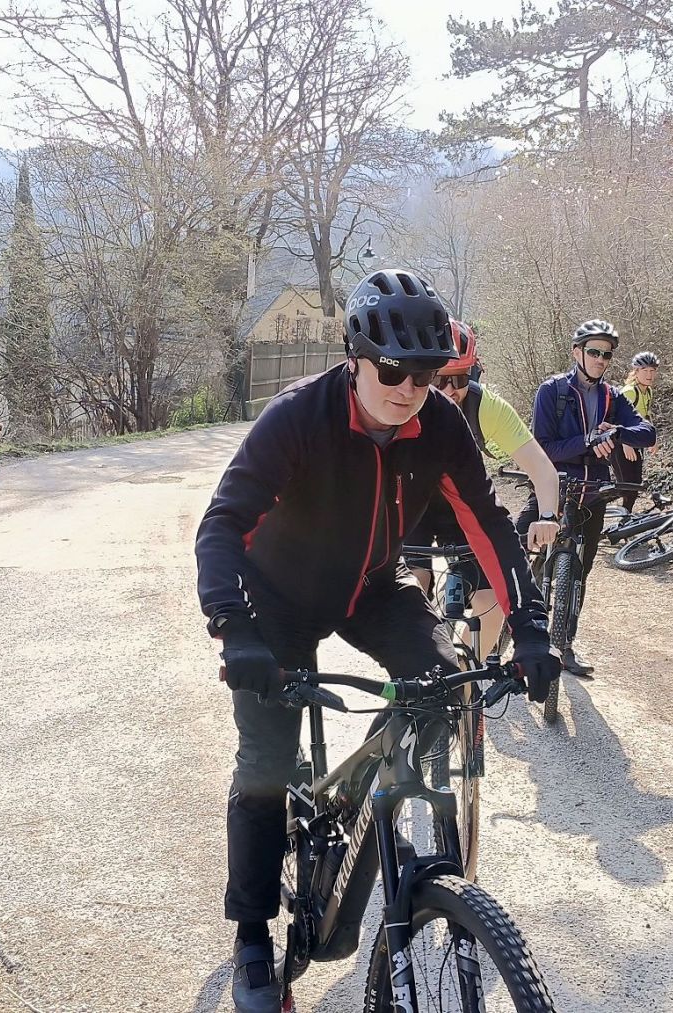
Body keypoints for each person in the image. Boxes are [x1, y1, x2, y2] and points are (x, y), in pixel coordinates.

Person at [194, 269, 561, 1013]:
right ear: (355, 358)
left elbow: (489, 526)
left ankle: (388, 813)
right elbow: (222, 525)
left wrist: (529, 627)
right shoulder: (297, 418)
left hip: (369, 586)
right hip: (277, 600)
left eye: (425, 375)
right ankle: (254, 936)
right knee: (265, 764)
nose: (408, 389)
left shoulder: (441, 425)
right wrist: (233, 628)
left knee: (441, 683)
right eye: (392, 372)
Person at [404, 320, 561, 663]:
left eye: (460, 379)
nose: (449, 390)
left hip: (465, 503)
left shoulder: (485, 406)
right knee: (412, 584)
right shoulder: (400, 401)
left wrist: (548, 515)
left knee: (491, 605)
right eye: (438, 379)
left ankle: (461, 675)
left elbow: (542, 468)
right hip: (414, 503)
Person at [522, 319, 655, 678]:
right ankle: (518, 627)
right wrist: (587, 441)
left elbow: (648, 432)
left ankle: (565, 645)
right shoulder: (552, 391)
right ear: (576, 352)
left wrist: (618, 431)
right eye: (594, 351)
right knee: (520, 551)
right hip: (553, 488)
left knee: (581, 570)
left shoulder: (612, 396)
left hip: (593, 492)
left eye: (606, 354)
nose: (600, 359)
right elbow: (542, 447)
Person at [615, 350, 661, 516]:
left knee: (634, 484)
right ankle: (616, 515)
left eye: (652, 371)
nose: (649, 375)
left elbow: (645, 416)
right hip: (620, 442)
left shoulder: (647, 391)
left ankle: (625, 517)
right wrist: (625, 444)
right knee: (627, 486)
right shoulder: (629, 391)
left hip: (636, 440)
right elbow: (615, 418)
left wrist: (652, 438)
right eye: (645, 370)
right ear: (636, 371)